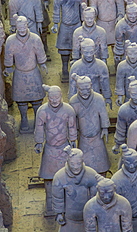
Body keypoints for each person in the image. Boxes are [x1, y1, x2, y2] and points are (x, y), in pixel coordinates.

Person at [34, 84, 77, 216]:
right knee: (48, 178)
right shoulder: (42, 111)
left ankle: (69, 203)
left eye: (56, 97)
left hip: (64, 148)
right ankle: (50, 204)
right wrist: (39, 143)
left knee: (68, 176)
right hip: (50, 149)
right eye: (51, 98)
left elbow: (72, 126)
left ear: (61, 97)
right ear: (48, 97)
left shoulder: (68, 110)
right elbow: (39, 128)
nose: (54, 100)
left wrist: (73, 140)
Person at [3, 15, 47, 132]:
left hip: (33, 72)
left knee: (37, 99)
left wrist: (42, 63)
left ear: (27, 25)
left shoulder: (35, 39)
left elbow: (40, 52)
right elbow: (8, 56)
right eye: (19, 28)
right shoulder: (11, 40)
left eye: (24, 27)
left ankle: (39, 121)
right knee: (21, 100)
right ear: (16, 27)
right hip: (19, 73)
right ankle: (23, 119)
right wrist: (8, 67)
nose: (22, 30)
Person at [69, 74, 110, 175]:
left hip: (97, 135)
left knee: (101, 159)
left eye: (87, 89)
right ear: (77, 87)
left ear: (91, 85)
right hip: (83, 137)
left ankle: (102, 174)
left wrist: (105, 128)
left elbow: (103, 114)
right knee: (84, 162)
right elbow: (72, 121)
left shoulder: (98, 98)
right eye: (81, 89)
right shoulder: (74, 101)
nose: (85, 92)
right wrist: (73, 137)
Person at [52, 146, 98, 231]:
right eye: (72, 164)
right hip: (69, 219)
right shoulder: (60, 177)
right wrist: (59, 213)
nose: (76, 167)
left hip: (87, 217)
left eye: (78, 163)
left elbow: (95, 197)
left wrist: (95, 213)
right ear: (68, 162)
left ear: (82, 161)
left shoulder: (91, 174)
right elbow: (58, 198)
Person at [51, 0, 86, 81]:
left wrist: (84, 24)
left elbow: (83, 11)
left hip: (77, 25)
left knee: (78, 48)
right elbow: (56, 10)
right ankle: (65, 68)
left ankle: (78, 69)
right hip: (65, 25)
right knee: (64, 48)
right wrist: (55, 24)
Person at [69, 37, 112, 108]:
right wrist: (71, 101)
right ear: (81, 51)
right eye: (86, 52)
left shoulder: (101, 65)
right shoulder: (76, 66)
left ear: (95, 50)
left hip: (96, 96)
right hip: (80, 98)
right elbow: (72, 86)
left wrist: (107, 97)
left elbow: (105, 83)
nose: (89, 55)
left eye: (91, 52)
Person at [112, 77, 137, 154]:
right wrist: (118, 144)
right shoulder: (124, 109)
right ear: (129, 92)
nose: (136, 97)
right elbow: (120, 129)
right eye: (133, 94)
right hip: (129, 143)